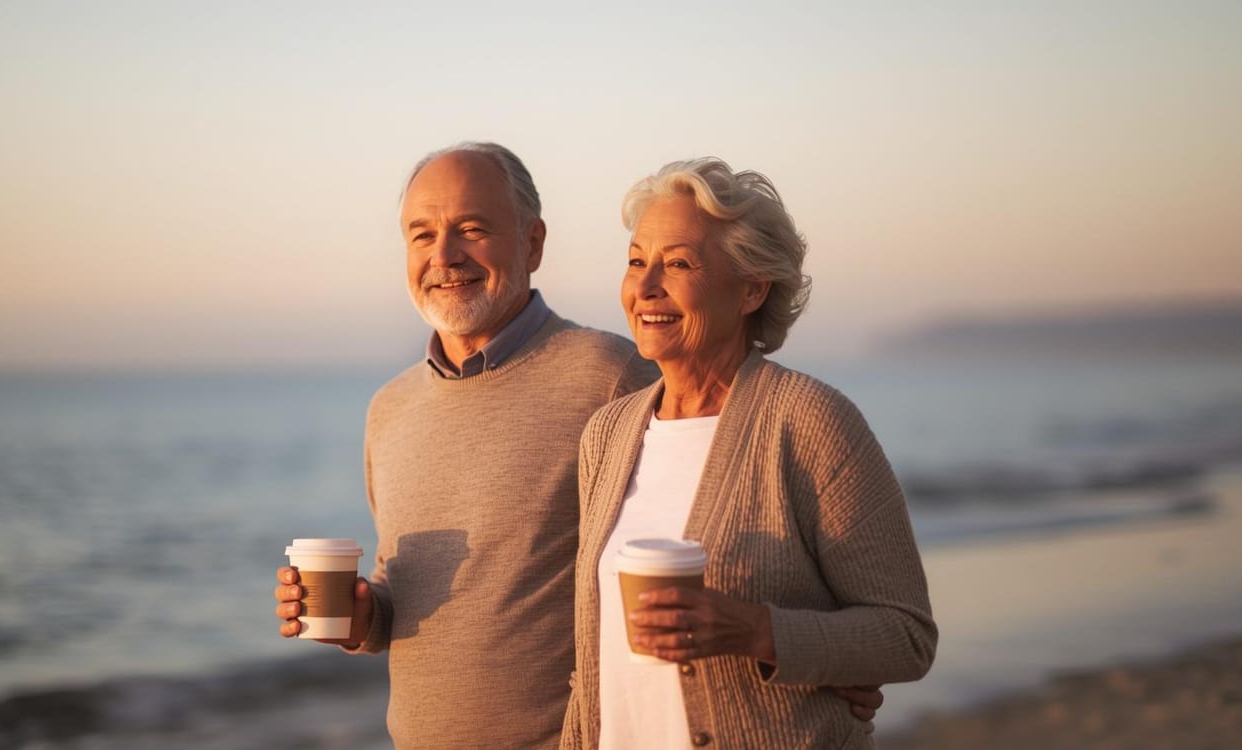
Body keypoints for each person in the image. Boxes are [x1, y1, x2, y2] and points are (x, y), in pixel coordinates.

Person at [273, 143, 885, 748]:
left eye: (471, 228)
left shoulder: (610, 376)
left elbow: (747, 526)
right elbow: (397, 587)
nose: (444, 255)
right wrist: (360, 620)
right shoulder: (390, 409)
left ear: (533, 243)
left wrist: (827, 661)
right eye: (421, 234)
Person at [562, 158, 936, 749]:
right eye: (637, 261)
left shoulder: (810, 421)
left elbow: (905, 635)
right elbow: (596, 659)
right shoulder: (608, 434)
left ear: (752, 289)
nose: (646, 286)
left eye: (679, 263)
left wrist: (756, 631)